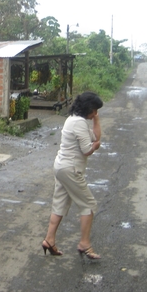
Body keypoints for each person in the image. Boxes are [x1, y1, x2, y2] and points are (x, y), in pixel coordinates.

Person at [42, 91, 103, 259]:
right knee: (89, 205)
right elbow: (87, 149)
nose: (95, 114)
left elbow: (96, 136)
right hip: (71, 169)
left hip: (61, 166)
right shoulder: (79, 123)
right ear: (88, 108)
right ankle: (84, 243)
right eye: (94, 111)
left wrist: (96, 120)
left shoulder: (72, 120)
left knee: (60, 204)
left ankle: (49, 239)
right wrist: (95, 147)